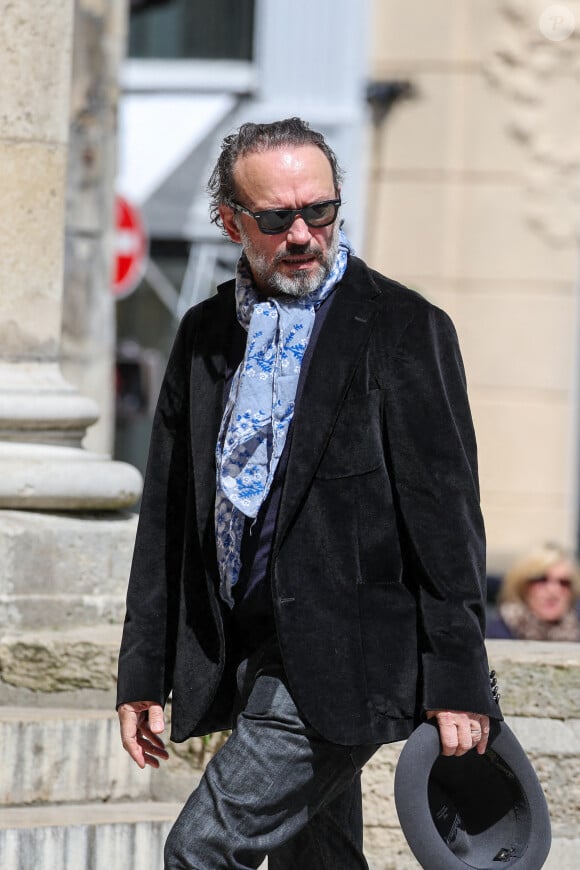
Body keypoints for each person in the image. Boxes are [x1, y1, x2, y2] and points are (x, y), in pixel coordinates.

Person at [116, 117, 501, 869]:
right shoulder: (203, 335)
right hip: (248, 652)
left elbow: (446, 520)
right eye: (276, 218)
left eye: (318, 211)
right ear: (230, 220)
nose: (302, 234)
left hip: (348, 655)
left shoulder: (404, 327)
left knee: (200, 852)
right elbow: (168, 514)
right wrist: (143, 671)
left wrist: (459, 681)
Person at [486, 543, 580, 641]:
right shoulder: (498, 634)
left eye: (564, 583)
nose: (553, 591)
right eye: (541, 580)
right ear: (522, 586)